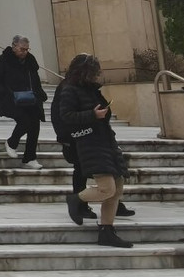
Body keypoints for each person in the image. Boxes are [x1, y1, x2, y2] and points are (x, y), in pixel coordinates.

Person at [57, 54, 134, 248]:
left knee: (117, 188)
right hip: (89, 142)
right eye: (93, 72)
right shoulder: (69, 90)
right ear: (83, 71)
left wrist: (103, 113)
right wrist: (93, 115)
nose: (96, 76)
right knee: (106, 188)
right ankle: (75, 199)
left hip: (105, 139)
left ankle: (106, 230)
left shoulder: (92, 90)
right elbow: (66, 116)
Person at [0, 35, 47, 168]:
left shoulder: (30, 60)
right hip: (11, 98)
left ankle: (30, 157)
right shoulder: (3, 60)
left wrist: (40, 93)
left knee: (34, 125)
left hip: (31, 98)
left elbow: (35, 79)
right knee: (24, 121)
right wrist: (1, 92)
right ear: (14, 46)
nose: (25, 52)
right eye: (22, 49)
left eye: (27, 49)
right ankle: (11, 142)